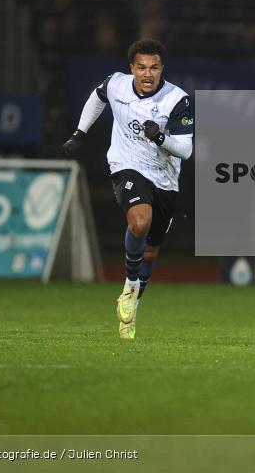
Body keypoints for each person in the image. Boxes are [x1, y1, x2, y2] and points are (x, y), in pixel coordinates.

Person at [61, 39, 193, 339]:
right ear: (131, 67)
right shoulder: (117, 84)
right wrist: (80, 133)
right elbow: (98, 97)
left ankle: (130, 305)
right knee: (139, 222)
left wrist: (160, 138)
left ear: (162, 69)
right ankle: (130, 287)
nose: (148, 74)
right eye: (142, 67)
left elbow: (185, 150)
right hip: (126, 166)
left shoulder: (177, 100)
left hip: (165, 178)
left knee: (150, 251)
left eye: (154, 68)